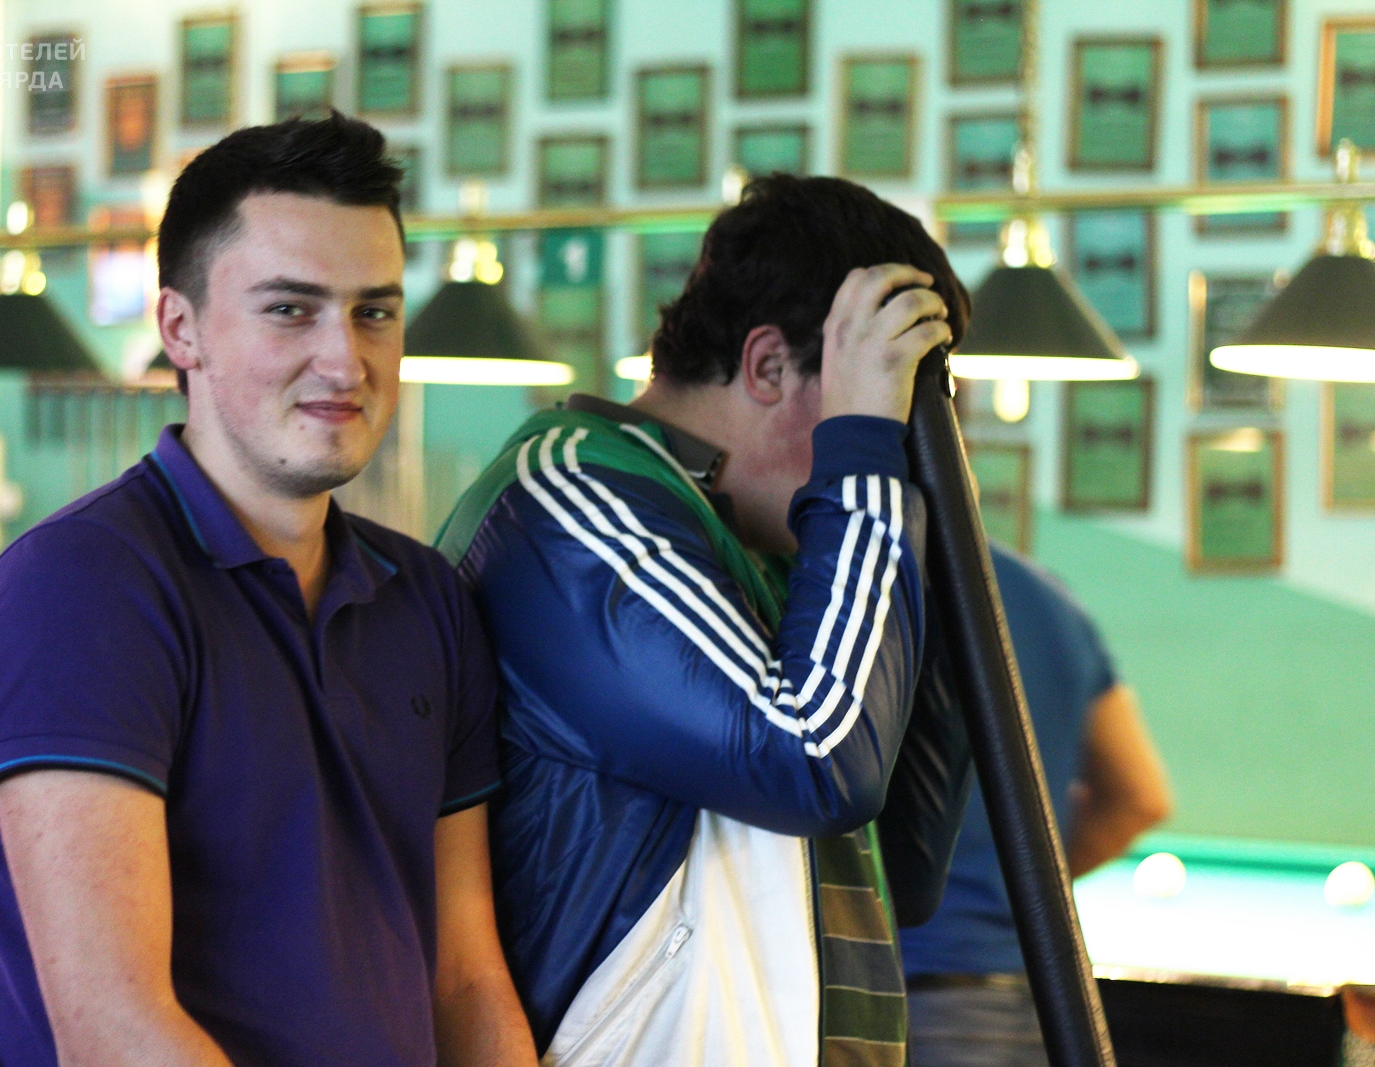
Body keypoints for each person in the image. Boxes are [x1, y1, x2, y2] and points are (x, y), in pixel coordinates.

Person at [0, 115, 538, 1067]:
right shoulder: (78, 588)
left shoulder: (428, 597)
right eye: (290, 309)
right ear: (179, 329)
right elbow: (115, 1033)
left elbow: (465, 978)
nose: (346, 361)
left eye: (375, 312)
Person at [436, 174, 975, 1067]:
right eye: (873, 393)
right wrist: (860, 456)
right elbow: (813, 758)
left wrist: (925, 515)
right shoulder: (572, 494)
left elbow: (906, 863)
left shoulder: (769, 552)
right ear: (767, 365)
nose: (887, 434)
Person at [900, 541, 1172, 1066]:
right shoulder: (1049, 597)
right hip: (1041, 998)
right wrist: (1019, 887)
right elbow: (1140, 798)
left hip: (913, 1002)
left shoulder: (855, 580)